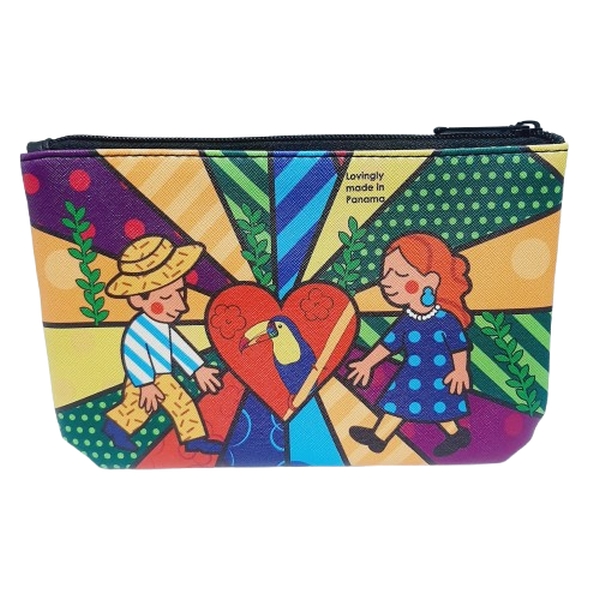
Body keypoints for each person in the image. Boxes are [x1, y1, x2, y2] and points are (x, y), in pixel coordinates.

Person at [347, 233, 472, 457]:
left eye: (401, 274)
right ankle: (379, 437)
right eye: (386, 273)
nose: (386, 281)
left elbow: (458, 346)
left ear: (430, 282)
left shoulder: (446, 320)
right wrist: (367, 363)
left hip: (439, 376)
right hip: (412, 374)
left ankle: (456, 435)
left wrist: (460, 370)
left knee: (440, 409)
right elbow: (388, 344)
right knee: (398, 403)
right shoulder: (407, 320)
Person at [102, 235, 223, 454]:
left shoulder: (162, 325)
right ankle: (116, 426)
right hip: (144, 377)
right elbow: (133, 355)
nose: (181, 306)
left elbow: (178, 347)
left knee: (180, 403)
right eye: (166, 297)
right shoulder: (138, 329)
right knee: (140, 408)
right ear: (138, 300)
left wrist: (198, 369)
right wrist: (145, 383)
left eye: (181, 292)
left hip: (162, 376)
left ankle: (193, 439)